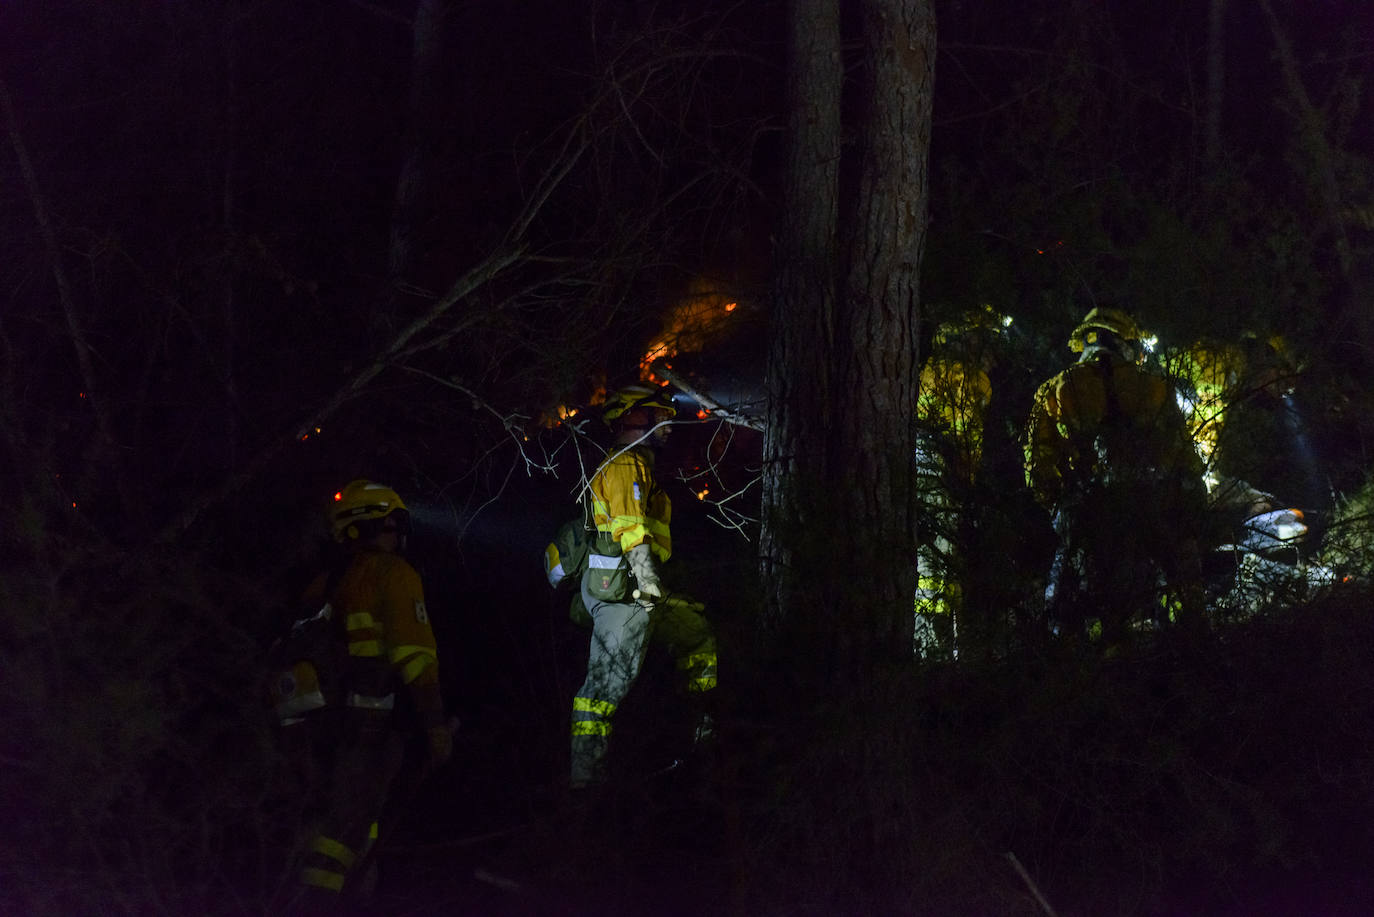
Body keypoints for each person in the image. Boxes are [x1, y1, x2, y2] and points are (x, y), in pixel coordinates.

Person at [288, 479, 452, 908]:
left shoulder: (321, 585)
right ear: (369, 525)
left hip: (314, 732)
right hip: (368, 732)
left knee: (331, 830)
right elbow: (415, 657)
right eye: (393, 523)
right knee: (347, 835)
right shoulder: (391, 574)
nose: (398, 534)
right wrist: (435, 727)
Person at [1025, 308, 1207, 646]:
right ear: (1123, 342)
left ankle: (1079, 672)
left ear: (1085, 342)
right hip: (1155, 506)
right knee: (1182, 589)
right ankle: (1195, 655)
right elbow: (1183, 454)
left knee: (1068, 604)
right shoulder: (1154, 386)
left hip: (1088, 514)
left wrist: (1057, 509)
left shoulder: (1054, 389)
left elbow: (1039, 464)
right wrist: (1189, 500)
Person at [570, 384, 718, 790]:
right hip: (622, 595)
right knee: (603, 690)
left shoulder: (640, 466)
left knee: (696, 635)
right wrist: (650, 582)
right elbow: (632, 532)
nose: (668, 424)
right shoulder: (624, 465)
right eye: (658, 416)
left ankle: (699, 739)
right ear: (634, 418)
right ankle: (585, 785)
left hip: (642, 591)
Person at [914, 306, 1001, 659]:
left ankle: (927, 645)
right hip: (944, 483)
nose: (992, 353)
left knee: (927, 569)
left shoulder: (927, 370)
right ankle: (935, 653)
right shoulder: (966, 377)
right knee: (938, 574)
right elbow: (965, 439)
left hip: (923, 479)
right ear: (970, 339)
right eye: (986, 340)